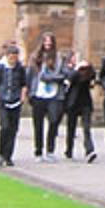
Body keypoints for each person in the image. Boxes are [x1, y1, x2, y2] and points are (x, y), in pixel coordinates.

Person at [0, 44, 28, 167]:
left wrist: (23, 96)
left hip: (15, 101)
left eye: (15, 58)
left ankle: (8, 156)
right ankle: (1, 152)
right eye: (11, 58)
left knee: (13, 129)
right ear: (7, 57)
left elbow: (24, 84)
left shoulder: (20, 69)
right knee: (5, 127)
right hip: (3, 101)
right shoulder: (0, 68)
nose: (13, 60)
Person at [29, 32, 66, 162]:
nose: (48, 44)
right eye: (45, 42)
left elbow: (65, 74)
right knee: (38, 125)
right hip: (39, 94)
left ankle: (50, 150)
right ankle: (38, 151)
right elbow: (30, 76)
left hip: (54, 95)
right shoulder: (35, 57)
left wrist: (52, 78)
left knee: (54, 121)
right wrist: (29, 93)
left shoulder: (59, 58)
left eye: (50, 42)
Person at [62, 52, 99, 163]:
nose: (75, 60)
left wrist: (89, 66)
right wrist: (77, 69)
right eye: (73, 58)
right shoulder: (68, 70)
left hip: (85, 102)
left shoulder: (84, 71)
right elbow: (68, 80)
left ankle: (89, 150)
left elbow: (92, 77)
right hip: (72, 103)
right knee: (71, 128)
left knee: (86, 128)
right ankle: (69, 150)